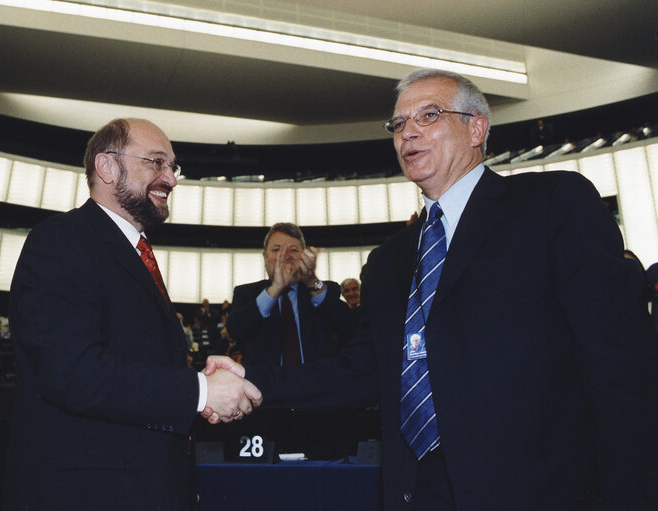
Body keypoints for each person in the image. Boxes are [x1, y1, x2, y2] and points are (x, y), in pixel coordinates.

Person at [206, 69, 658, 510]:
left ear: (476, 128)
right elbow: (362, 371)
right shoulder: (387, 262)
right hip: (419, 491)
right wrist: (252, 381)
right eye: (398, 124)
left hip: (542, 491)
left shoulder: (551, 205)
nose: (407, 133)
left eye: (428, 116)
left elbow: (620, 365)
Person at [5, 118, 262, 510]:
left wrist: (200, 380)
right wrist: (199, 391)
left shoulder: (132, 253)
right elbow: (71, 371)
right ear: (107, 167)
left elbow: (132, 364)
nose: (171, 179)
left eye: (172, 167)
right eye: (156, 162)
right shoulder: (61, 240)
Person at [226, 222, 353, 366]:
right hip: (264, 386)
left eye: (293, 250)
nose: (285, 256)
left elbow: (346, 323)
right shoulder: (246, 293)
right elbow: (235, 330)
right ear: (265, 256)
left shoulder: (322, 287)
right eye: (276, 249)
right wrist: (275, 288)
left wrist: (312, 280)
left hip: (317, 383)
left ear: (304, 256)